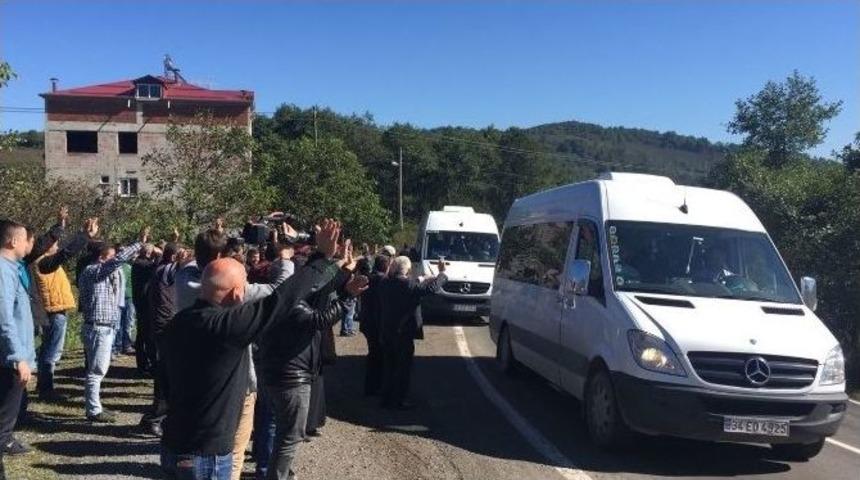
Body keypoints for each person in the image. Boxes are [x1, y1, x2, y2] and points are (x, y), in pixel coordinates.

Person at [160, 220, 342, 480]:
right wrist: (322, 258)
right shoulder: (227, 327)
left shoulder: (177, 324)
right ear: (237, 294)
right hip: (207, 454)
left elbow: (164, 383)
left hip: (173, 445)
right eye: (245, 286)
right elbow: (282, 299)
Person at [175, 222, 297, 480]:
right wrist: (285, 258)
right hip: (232, 380)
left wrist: (213, 241)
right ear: (221, 258)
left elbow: (195, 262)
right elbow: (278, 292)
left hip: (189, 373)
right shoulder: (232, 291)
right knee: (231, 453)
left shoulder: (183, 279)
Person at [258, 241, 365, 480]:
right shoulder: (291, 304)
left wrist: (340, 266)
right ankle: (274, 474)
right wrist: (347, 295)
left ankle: (272, 470)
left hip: (274, 371)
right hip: (290, 376)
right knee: (290, 435)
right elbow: (320, 319)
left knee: (276, 426)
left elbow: (323, 286)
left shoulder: (274, 298)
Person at [77, 229, 148, 422]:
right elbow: (117, 261)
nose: (113, 259)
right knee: (96, 371)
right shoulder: (93, 271)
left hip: (101, 327)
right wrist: (139, 243)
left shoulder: (94, 271)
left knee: (97, 370)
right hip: (98, 328)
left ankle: (95, 405)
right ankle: (93, 410)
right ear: (101, 257)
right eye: (110, 256)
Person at [30, 215, 98, 401]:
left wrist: (65, 226)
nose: (57, 246)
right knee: (52, 352)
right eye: (54, 244)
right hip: (54, 311)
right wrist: (84, 235)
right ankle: (46, 390)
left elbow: (65, 249)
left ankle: (43, 385)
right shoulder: (42, 263)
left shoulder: (44, 262)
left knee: (47, 349)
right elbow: (66, 252)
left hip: (55, 310)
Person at [379, 256, 447, 409]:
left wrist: (422, 279)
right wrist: (441, 274)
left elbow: (410, 284)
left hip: (387, 329)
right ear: (408, 270)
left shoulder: (385, 283)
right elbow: (430, 289)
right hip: (403, 331)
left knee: (389, 366)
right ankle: (399, 399)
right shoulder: (408, 285)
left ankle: (386, 398)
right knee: (403, 367)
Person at [0, 219, 37, 477]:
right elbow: (4, 317)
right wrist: (17, 357)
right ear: (13, 241)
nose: (28, 244)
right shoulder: (3, 270)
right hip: (9, 361)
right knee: (2, 429)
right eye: (25, 239)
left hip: (12, 357)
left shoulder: (12, 268)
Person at [139, 243, 181, 437]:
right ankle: (155, 419)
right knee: (166, 375)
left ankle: (155, 417)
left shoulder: (163, 270)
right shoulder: (165, 271)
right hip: (165, 327)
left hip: (167, 326)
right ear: (173, 258)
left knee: (168, 375)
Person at [358, 255, 390, 396]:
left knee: (373, 353)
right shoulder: (384, 281)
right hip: (379, 322)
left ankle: (371, 386)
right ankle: (376, 386)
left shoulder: (368, 279)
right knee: (379, 355)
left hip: (367, 321)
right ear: (386, 266)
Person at [131, 245, 157, 374]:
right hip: (143, 303)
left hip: (141, 301)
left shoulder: (139, 263)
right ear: (148, 253)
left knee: (142, 333)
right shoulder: (141, 264)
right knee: (145, 334)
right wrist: (159, 254)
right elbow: (156, 267)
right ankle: (145, 363)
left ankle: (143, 363)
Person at [113, 254, 135, 356]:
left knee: (127, 322)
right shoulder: (116, 267)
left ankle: (125, 345)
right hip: (120, 298)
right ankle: (119, 345)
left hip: (128, 297)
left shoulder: (129, 267)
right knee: (120, 323)